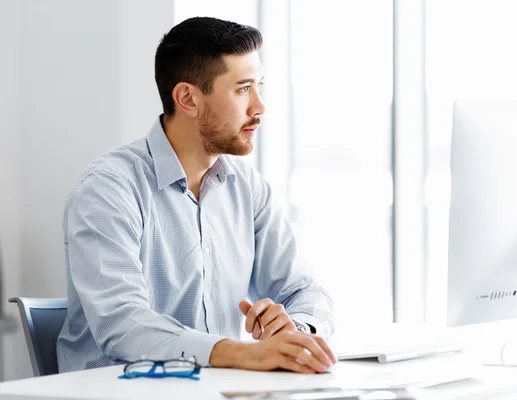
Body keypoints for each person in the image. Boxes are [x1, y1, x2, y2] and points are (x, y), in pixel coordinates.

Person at [56, 16, 336, 375]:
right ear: (187, 98)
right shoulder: (108, 188)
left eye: (259, 86)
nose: (259, 107)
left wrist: (294, 332)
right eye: (242, 89)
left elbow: (305, 291)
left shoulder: (246, 188)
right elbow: (124, 326)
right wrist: (242, 353)